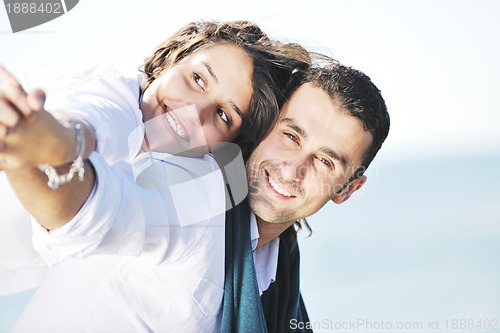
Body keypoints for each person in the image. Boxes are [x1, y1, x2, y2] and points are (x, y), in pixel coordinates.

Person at [0, 20, 310, 332]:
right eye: (198, 79)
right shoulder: (113, 93)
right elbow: (89, 118)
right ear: (169, 61)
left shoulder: (182, 186)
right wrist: (54, 142)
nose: (192, 110)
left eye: (222, 115)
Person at [222, 59, 390, 332]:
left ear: (347, 189)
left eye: (325, 161)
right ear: (265, 122)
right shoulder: (189, 210)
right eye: (291, 136)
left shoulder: (283, 279)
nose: (292, 172)